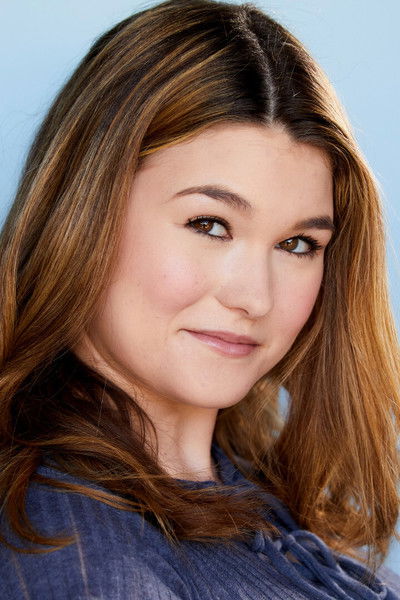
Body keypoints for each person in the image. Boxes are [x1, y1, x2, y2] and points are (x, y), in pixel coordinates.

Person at [0, 0, 399, 597]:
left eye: (297, 244)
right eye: (209, 225)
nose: (254, 297)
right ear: (83, 214)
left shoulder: (252, 493)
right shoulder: (83, 558)